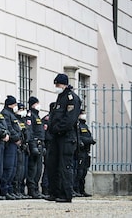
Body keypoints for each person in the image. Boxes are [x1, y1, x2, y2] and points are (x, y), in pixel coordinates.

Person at [45, 73, 82, 203]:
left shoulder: (72, 98)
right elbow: (54, 116)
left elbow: (69, 119)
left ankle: (66, 194)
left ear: (65, 84)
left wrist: (57, 128)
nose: (56, 87)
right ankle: (54, 192)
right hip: (56, 137)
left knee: (65, 166)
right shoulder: (60, 98)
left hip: (66, 137)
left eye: (58, 84)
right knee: (52, 164)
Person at [0, 96, 22, 200]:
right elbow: (9, 128)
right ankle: (4, 189)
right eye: (15, 104)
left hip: (15, 144)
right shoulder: (5, 113)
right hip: (10, 144)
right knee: (8, 167)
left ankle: (9, 189)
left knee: (13, 168)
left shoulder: (12, 114)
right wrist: (17, 138)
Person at [26, 96, 46, 199]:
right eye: (37, 103)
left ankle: (36, 189)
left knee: (38, 169)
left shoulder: (37, 116)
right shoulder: (30, 115)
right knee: (33, 169)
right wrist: (33, 145)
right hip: (34, 144)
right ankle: (31, 189)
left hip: (40, 144)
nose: (39, 105)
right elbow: (30, 131)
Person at [74, 109, 96, 197]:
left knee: (84, 172)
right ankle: (76, 189)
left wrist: (90, 140)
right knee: (79, 172)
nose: (84, 115)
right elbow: (79, 138)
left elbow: (89, 137)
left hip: (86, 152)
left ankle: (82, 189)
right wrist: (90, 140)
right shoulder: (77, 125)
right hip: (80, 152)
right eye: (82, 114)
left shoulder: (85, 126)